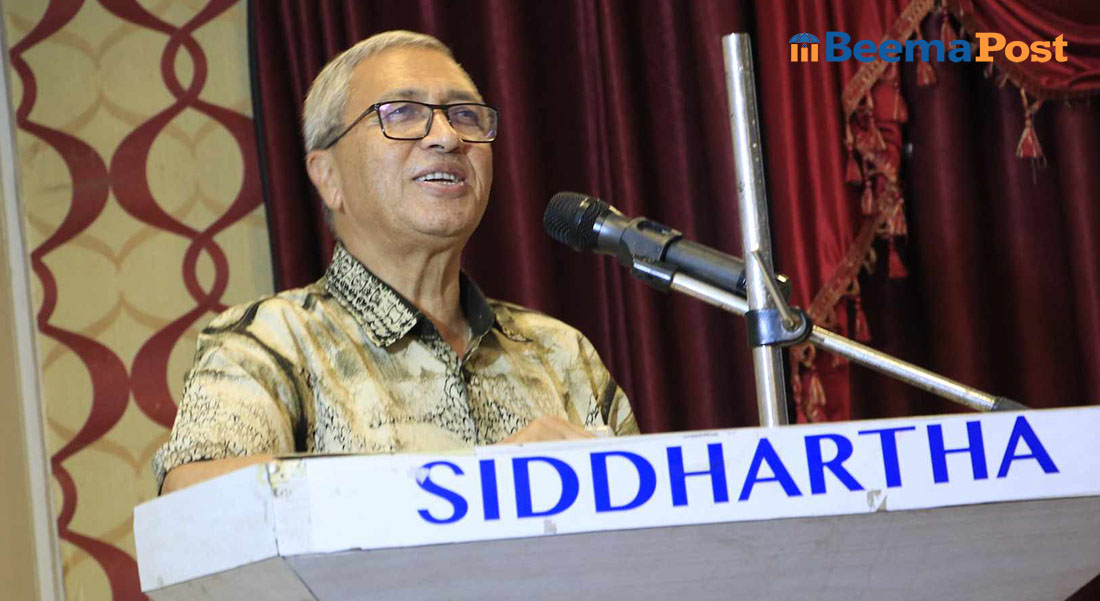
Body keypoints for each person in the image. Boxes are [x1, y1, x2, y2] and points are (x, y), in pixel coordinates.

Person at [155, 30, 638, 494]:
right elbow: (193, 499)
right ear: (328, 177)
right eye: (402, 113)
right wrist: (477, 479)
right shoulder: (272, 343)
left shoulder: (559, 352)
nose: (447, 137)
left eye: (465, 115)